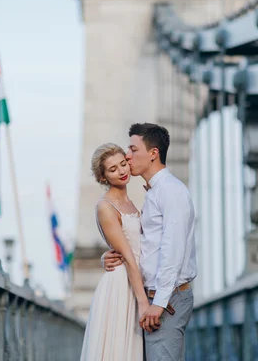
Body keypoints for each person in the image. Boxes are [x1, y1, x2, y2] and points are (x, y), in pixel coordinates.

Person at [102, 123, 197, 360]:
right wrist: (111, 255)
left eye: (133, 150)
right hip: (155, 297)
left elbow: (172, 250)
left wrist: (160, 302)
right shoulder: (155, 191)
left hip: (165, 299)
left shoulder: (171, 191)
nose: (127, 155)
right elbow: (148, 245)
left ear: (153, 153)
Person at [80, 143, 148, 361]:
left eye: (123, 164)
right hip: (122, 287)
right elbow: (127, 256)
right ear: (103, 178)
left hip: (135, 280)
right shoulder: (105, 206)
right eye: (112, 169)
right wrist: (143, 302)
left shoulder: (129, 202)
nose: (121, 171)